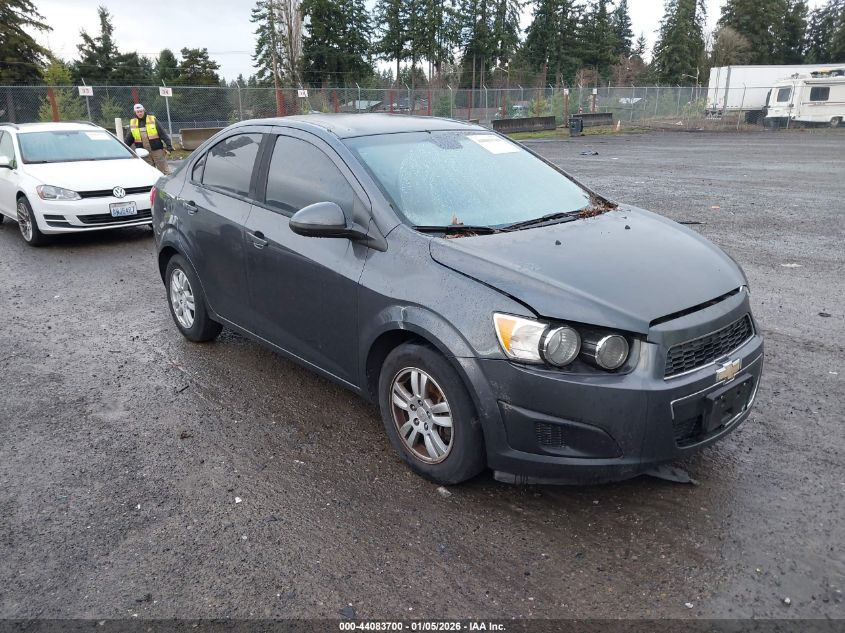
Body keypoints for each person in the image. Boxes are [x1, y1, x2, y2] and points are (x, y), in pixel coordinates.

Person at [124, 103, 173, 174]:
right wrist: (124, 149)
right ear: (135, 113)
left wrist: (169, 145)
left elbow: (162, 133)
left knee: (163, 169)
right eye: (138, 112)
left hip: (156, 149)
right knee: (150, 171)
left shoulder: (152, 119)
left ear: (144, 111)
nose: (140, 113)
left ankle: (166, 183)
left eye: (141, 111)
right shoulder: (133, 123)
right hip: (143, 152)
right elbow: (129, 138)